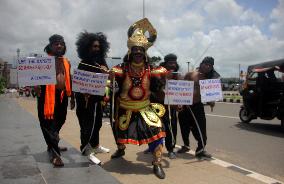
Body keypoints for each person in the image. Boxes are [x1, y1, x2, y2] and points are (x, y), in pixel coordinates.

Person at [110, 18, 168, 179]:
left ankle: (157, 163)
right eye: (135, 50)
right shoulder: (122, 68)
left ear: (144, 53)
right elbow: (113, 74)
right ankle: (120, 149)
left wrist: (166, 74)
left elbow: (163, 71)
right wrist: (110, 75)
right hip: (125, 108)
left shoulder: (151, 69)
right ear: (130, 52)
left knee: (157, 131)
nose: (137, 53)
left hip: (145, 108)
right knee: (119, 131)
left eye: (140, 50)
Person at [37, 34, 75, 167]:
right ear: (50, 46)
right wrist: (35, 86)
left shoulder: (66, 62)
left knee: (61, 119)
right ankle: (55, 153)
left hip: (62, 96)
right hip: (46, 96)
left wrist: (72, 98)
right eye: (56, 43)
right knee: (47, 123)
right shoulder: (43, 61)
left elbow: (69, 79)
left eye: (61, 43)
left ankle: (52, 142)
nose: (59, 45)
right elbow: (33, 78)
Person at [75, 31, 110, 163]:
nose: (97, 48)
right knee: (87, 126)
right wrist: (83, 93)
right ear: (87, 47)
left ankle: (95, 146)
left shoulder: (102, 62)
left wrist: (105, 72)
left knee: (98, 124)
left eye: (98, 46)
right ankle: (86, 150)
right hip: (86, 100)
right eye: (94, 46)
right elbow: (78, 83)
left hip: (98, 100)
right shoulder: (83, 63)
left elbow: (108, 79)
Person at [178, 56, 220, 158]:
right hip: (185, 105)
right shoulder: (190, 74)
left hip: (197, 106)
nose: (207, 66)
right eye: (206, 64)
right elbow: (181, 87)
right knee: (184, 127)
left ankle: (201, 149)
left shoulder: (209, 79)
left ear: (211, 68)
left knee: (201, 128)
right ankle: (186, 145)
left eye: (209, 65)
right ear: (201, 64)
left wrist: (211, 102)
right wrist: (179, 102)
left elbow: (210, 96)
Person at [151, 53, 180, 159]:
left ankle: (171, 149)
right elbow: (154, 87)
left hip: (170, 106)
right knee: (155, 128)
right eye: (170, 63)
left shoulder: (177, 74)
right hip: (158, 105)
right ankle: (153, 147)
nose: (173, 65)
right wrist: (164, 79)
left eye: (174, 63)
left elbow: (181, 90)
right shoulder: (158, 71)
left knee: (171, 128)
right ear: (165, 63)